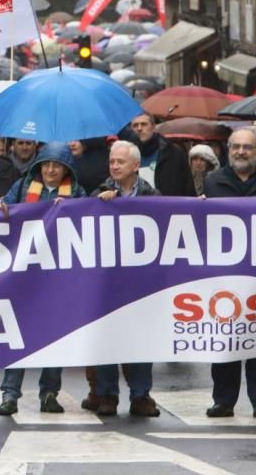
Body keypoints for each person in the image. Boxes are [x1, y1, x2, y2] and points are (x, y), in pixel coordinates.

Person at [0, 142, 86, 416]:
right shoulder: (23, 186)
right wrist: (1, 207)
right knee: (18, 333)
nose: (50, 170)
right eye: (46, 164)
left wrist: (73, 208)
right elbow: (5, 206)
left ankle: (49, 393)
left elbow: (89, 220)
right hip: (26, 272)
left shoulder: (77, 193)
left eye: (56, 166)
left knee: (53, 334)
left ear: (66, 169)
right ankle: (10, 394)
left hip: (59, 276)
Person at [203, 128, 256, 421]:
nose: (240, 152)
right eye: (235, 147)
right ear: (228, 150)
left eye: (247, 147)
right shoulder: (213, 182)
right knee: (225, 340)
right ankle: (223, 401)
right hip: (223, 278)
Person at [88, 140, 160, 417]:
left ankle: (141, 395)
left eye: (120, 162)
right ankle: (107, 395)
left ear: (135, 166)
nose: (115, 166)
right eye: (112, 162)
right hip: (106, 282)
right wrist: (100, 202)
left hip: (140, 283)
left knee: (140, 340)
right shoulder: (100, 192)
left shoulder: (151, 196)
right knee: (107, 338)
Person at [127, 113, 195, 197]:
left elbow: (188, 187)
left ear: (153, 127)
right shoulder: (125, 156)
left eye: (144, 124)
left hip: (168, 207)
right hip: (136, 208)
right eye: (135, 125)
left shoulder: (173, 153)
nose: (139, 128)